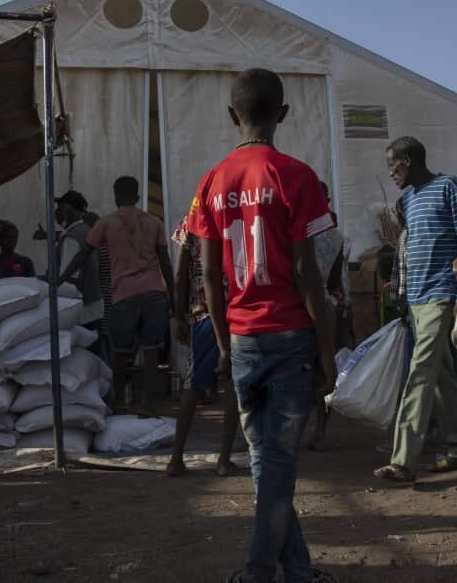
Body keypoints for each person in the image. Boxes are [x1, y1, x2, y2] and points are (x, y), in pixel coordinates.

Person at [186, 68, 338, 583]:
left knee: (265, 464)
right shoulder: (297, 176)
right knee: (275, 466)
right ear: (284, 114)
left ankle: (299, 573)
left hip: (245, 338)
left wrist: (226, 347)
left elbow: (208, 274)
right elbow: (306, 270)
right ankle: (258, 572)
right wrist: (328, 349)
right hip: (292, 336)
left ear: (233, 116)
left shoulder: (211, 181)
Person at [374, 136, 457, 484]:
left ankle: (403, 460)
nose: (391, 173)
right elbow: (409, 250)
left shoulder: (449, 186)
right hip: (417, 299)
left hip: (441, 293)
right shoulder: (408, 200)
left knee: (420, 372)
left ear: (407, 160)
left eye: (393, 166)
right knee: (441, 377)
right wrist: (404, 301)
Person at [59, 176, 173, 412]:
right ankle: (148, 404)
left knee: (121, 352)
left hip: (123, 295)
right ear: (139, 196)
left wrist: (59, 278)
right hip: (153, 293)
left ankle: (119, 403)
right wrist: (174, 297)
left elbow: (82, 254)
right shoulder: (154, 223)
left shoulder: (106, 223)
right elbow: (166, 264)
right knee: (151, 351)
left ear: (115, 196)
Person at [165, 217, 240, 478]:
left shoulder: (190, 223)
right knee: (232, 386)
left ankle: (176, 459)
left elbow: (179, 275)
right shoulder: (233, 215)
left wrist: (178, 315)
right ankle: (223, 459)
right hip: (234, 313)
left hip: (202, 315)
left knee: (192, 386)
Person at [306, 182, 347, 451]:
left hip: (298, 305)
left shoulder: (297, 230)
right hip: (326, 304)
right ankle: (320, 431)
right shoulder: (336, 235)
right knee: (325, 367)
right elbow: (334, 281)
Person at [37, 191, 104, 327]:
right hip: (95, 306)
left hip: (83, 311)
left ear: (67, 210)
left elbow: (69, 280)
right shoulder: (88, 231)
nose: (56, 213)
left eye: (59, 208)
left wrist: (44, 281)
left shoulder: (71, 238)